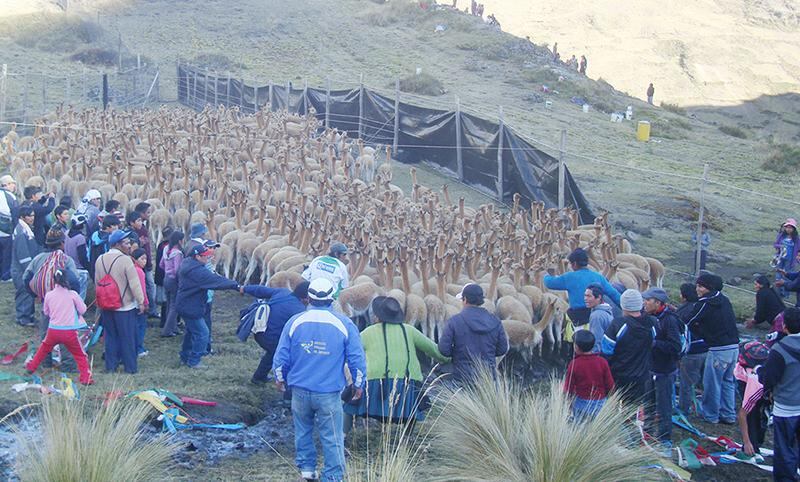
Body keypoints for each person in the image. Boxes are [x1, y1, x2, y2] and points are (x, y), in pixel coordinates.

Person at [272, 278, 366, 482]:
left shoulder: (295, 322)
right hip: (329, 393)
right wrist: (359, 384)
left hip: (299, 390)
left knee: (302, 431)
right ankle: (332, 476)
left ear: (309, 297)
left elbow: (281, 356)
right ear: (332, 298)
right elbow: (356, 359)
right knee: (332, 436)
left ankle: (307, 471)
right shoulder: (344, 324)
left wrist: (279, 378)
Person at [344, 296, 449, 430]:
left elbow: (350, 353)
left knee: (349, 404)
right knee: (414, 405)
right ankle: (406, 436)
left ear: (377, 316)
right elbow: (435, 351)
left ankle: (342, 435)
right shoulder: (409, 330)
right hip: (407, 384)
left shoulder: (368, 332)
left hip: (375, 385)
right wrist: (449, 358)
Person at [685, 273, 739, 424]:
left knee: (712, 383)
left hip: (718, 349)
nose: (697, 289)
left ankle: (711, 415)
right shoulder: (724, 300)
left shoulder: (705, 303)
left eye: (700, 286)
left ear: (708, 288)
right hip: (734, 347)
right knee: (728, 382)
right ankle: (728, 414)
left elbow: (688, 320)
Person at [175, 242, 239, 368]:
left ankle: (185, 356)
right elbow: (215, 281)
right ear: (197, 257)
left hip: (186, 304)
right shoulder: (197, 272)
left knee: (191, 332)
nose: (208, 257)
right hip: (190, 307)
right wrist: (235, 285)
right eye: (205, 256)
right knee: (203, 333)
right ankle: (194, 361)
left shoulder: (189, 264)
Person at [25, 269, 94, 385]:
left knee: (43, 349)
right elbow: (83, 310)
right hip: (69, 332)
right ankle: (85, 378)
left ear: (54, 280)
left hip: (53, 330)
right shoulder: (73, 295)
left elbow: (46, 312)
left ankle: (31, 367)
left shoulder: (49, 295)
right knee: (80, 355)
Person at [757, 307, 800, 481]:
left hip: (786, 406)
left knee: (784, 448)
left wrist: (759, 371)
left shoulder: (780, 349)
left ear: (784, 326)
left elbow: (769, 379)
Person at [94, 230, 145, 374]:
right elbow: (134, 283)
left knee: (110, 337)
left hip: (106, 305)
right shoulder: (125, 260)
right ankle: (130, 367)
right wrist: (141, 301)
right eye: (126, 243)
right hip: (125, 306)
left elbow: (97, 282)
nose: (129, 246)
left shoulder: (100, 259)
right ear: (117, 244)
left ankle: (111, 366)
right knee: (128, 338)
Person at [241, 280, 310, 385]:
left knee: (272, 353)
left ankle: (260, 377)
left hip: (259, 330)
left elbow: (260, 290)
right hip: (270, 336)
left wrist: (244, 288)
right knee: (283, 353)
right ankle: (283, 380)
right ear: (306, 298)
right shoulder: (299, 310)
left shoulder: (283, 292)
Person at [438, 283, 509, 384]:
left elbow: (443, 349)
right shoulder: (495, 321)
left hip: (462, 377)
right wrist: (488, 353)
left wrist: (458, 353)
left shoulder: (454, 321)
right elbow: (502, 349)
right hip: (487, 377)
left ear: (465, 299)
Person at [601, 289, 656, 405]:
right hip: (641, 376)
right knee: (633, 408)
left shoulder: (618, 324)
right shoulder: (652, 323)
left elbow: (606, 352)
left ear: (623, 305)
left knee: (612, 408)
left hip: (617, 376)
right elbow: (653, 345)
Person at [543, 248, 621, 329]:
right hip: (597, 317)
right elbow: (614, 294)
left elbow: (549, 283)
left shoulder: (570, 277)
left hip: (578, 320)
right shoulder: (598, 277)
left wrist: (546, 275)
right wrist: (626, 308)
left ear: (574, 264)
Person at [643, 288, 682, 445]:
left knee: (664, 406)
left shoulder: (669, 320)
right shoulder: (648, 316)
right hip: (650, 367)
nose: (645, 303)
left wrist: (654, 343)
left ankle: (665, 439)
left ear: (658, 303)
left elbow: (675, 346)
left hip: (665, 370)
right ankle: (647, 433)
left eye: (648, 300)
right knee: (648, 403)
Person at [563, 330, 614, 421]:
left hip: (581, 404)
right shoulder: (602, 362)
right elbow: (610, 385)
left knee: (580, 426)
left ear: (576, 347)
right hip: (600, 403)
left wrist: (568, 403)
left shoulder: (574, 364)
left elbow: (568, 388)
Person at [184, 223, 218, 353]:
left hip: (197, 295)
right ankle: (202, 350)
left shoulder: (189, 244)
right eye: (211, 249)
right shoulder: (200, 260)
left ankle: (188, 352)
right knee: (203, 325)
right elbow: (210, 279)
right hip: (202, 296)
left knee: (194, 327)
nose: (212, 251)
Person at [735, 341, 770, 462]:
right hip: (751, 384)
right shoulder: (755, 384)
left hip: (762, 386)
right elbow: (742, 414)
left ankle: (756, 443)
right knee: (752, 414)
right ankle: (751, 447)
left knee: (762, 414)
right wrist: (747, 442)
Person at [676, 282, 706, 414]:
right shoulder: (701, 306)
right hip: (706, 348)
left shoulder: (683, 312)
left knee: (686, 382)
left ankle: (684, 408)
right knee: (704, 381)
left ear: (684, 296)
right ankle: (706, 406)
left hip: (692, 351)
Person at [11, 206, 40, 326]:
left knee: (28, 292)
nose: (32, 218)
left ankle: (29, 315)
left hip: (24, 268)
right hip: (21, 270)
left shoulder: (25, 229)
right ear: (23, 217)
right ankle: (23, 317)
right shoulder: (21, 232)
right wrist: (29, 271)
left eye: (33, 215)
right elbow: (23, 255)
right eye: (29, 216)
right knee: (24, 293)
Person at [132, 202, 158, 319]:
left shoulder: (143, 228)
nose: (149, 215)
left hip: (145, 262)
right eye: (147, 212)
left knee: (149, 286)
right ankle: (148, 308)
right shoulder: (136, 232)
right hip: (140, 263)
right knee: (147, 286)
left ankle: (150, 308)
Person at [160, 230, 184, 337]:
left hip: (166, 279)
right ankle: (167, 330)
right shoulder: (177, 253)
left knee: (169, 304)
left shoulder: (166, 249)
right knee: (174, 306)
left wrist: (167, 270)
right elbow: (177, 270)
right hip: (174, 281)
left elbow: (161, 264)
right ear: (179, 241)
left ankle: (173, 327)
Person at [64, 214, 90, 300]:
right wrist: (88, 267)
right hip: (80, 270)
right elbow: (82, 256)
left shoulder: (66, 233)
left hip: (68, 268)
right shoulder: (80, 238)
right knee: (80, 297)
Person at [88, 215, 120, 279]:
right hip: (106, 270)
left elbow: (89, 252)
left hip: (93, 267)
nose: (117, 228)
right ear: (107, 227)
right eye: (114, 225)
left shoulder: (94, 235)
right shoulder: (110, 239)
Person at [0, 175, 19, 281]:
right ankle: (6, 276)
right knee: (7, 254)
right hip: (7, 231)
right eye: (12, 183)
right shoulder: (10, 196)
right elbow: (15, 214)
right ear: (6, 184)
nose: (14, 186)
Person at [131, 248, 150, 357]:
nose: (144, 261)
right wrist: (145, 302)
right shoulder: (139, 272)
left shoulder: (131, 269)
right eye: (142, 259)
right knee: (140, 326)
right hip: (139, 303)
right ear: (135, 259)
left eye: (145, 259)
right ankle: (139, 349)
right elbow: (142, 289)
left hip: (132, 303)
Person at [585, 283, 614, 352]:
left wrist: (594, 355)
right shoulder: (606, 310)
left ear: (599, 297)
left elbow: (596, 340)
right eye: (585, 295)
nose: (585, 299)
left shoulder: (596, 316)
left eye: (589, 296)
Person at [154, 226, 174, 327]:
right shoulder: (168, 247)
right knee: (168, 301)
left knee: (165, 302)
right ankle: (166, 322)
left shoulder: (160, 245)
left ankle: (164, 321)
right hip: (166, 277)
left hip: (160, 276)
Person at [775, 218, 800, 296]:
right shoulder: (781, 236)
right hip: (780, 258)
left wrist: (796, 260)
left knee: (787, 275)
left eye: (790, 228)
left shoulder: (796, 239)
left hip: (790, 260)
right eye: (787, 227)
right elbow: (775, 244)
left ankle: (786, 293)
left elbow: (798, 249)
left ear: (794, 229)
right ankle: (778, 292)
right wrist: (780, 246)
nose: (788, 229)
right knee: (778, 273)